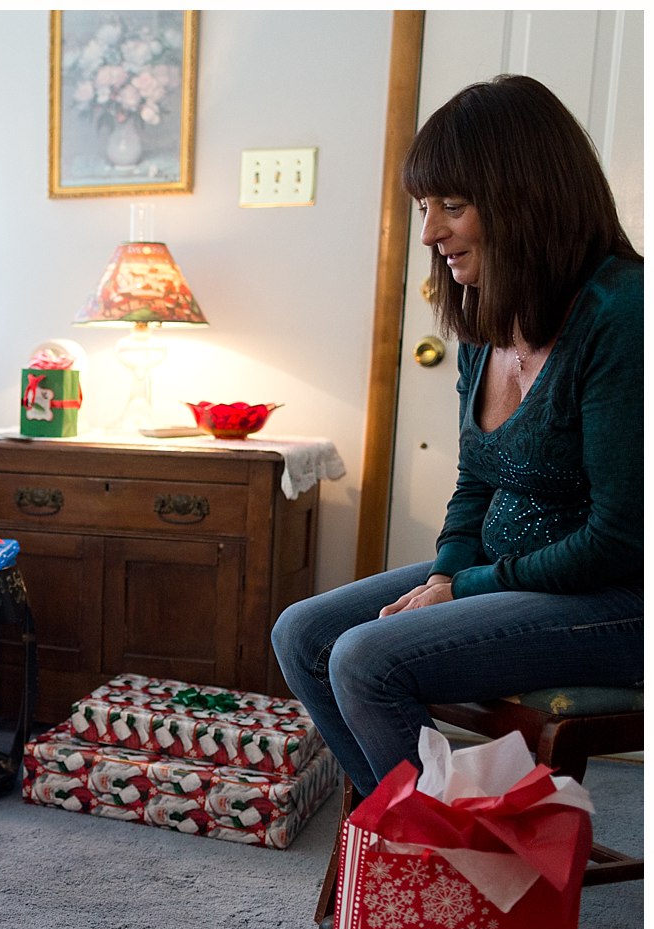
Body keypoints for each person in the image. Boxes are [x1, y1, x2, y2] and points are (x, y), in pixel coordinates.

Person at [273, 74, 642, 800]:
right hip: (504, 574)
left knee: (364, 659)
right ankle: (426, 836)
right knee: (302, 633)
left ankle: (451, 865)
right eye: (423, 207)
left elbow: (617, 540)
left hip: (614, 601)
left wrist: (460, 586)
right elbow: (477, 481)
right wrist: (447, 570)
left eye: (452, 205)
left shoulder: (623, 314)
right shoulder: (487, 312)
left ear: (523, 196)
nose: (430, 233)